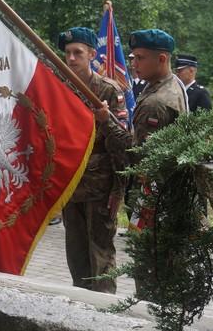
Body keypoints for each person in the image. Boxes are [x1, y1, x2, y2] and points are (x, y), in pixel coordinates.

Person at [57, 27, 133, 293]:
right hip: (70, 185)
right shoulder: (60, 87)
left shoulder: (107, 90)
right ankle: (80, 303)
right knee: (76, 253)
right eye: (67, 53)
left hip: (100, 188)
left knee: (100, 253)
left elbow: (123, 143)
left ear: (92, 54)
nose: (71, 58)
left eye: (78, 52)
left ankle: (104, 306)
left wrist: (118, 190)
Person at [128, 28, 189, 297]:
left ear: (162, 59)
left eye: (140, 58)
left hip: (154, 199)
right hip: (170, 197)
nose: (134, 63)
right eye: (133, 57)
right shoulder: (172, 84)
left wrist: (107, 123)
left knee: (150, 275)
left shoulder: (156, 102)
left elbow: (139, 156)